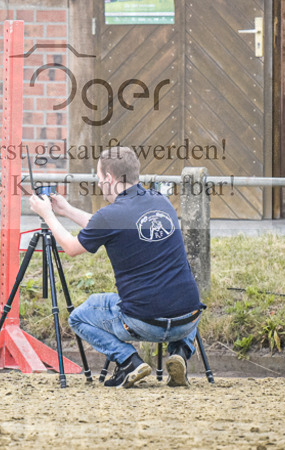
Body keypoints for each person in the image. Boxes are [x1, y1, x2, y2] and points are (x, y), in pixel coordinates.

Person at [29, 146, 205, 389]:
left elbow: (71, 247)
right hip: (188, 320)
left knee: (79, 317)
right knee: (178, 297)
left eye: (100, 180)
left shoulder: (111, 215)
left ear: (110, 179)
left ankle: (129, 361)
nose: (100, 185)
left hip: (142, 321)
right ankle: (180, 354)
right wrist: (65, 210)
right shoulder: (161, 201)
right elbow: (106, 225)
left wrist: (48, 215)